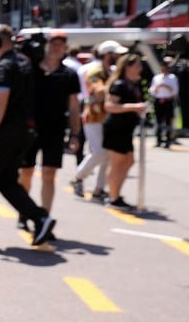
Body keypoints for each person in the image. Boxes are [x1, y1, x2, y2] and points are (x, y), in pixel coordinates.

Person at [0, 24, 57, 249]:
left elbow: (0, 100)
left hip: (4, 133)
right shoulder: (24, 62)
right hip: (23, 133)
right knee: (6, 181)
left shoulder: (4, 65)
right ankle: (40, 218)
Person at [17, 32, 81, 219]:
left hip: (55, 130)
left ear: (65, 49)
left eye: (60, 45)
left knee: (49, 173)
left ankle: (44, 217)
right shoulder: (31, 69)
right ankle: (25, 212)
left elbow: (74, 106)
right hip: (30, 128)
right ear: (46, 45)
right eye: (53, 44)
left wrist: (75, 134)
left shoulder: (69, 74)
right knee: (26, 172)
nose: (56, 48)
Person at [101, 53, 149, 211]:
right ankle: (113, 197)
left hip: (126, 128)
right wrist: (133, 107)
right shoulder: (119, 84)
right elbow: (109, 106)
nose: (139, 69)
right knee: (117, 163)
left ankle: (115, 194)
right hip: (116, 128)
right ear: (127, 67)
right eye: (136, 66)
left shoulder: (132, 84)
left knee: (128, 160)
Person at [70, 62, 111, 201]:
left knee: (107, 154)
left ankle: (99, 189)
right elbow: (98, 92)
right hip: (93, 117)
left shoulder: (110, 72)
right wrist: (116, 88)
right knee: (99, 152)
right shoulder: (95, 72)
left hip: (107, 118)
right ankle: (78, 177)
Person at [149, 57, 180, 149]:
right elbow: (152, 90)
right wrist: (157, 88)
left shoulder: (172, 78)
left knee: (168, 122)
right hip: (158, 100)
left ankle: (168, 141)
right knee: (158, 121)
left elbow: (175, 91)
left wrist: (166, 87)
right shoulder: (157, 77)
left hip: (168, 100)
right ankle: (158, 140)